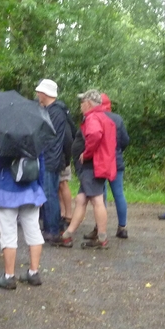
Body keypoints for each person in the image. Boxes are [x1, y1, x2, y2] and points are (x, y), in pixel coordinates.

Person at [55, 89, 117, 249]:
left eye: (82, 102)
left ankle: (102, 238)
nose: (80, 106)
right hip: (98, 164)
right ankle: (68, 235)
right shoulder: (103, 117)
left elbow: (95, 135)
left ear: (88, 103)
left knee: (96, 200)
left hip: (93, 165)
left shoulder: (93, 117)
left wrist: (86, 153)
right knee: (81, 199)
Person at [0, 149, 46, 289]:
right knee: (34, 229)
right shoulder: (33, 136)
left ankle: (9, 276)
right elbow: (41, 164)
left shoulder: (0, 139)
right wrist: (41, 188)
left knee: (8, 234)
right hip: (31, 188)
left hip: (5, 189)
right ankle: (34, 272)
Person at [84, 93, 130, 239]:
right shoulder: (117, 118)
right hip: (116, 161)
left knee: (99, 195)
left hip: (99, 161)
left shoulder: (93, 117)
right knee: (119, 194)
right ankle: (122, 227)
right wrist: (117, 151)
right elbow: (125, 140)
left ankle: (99, 228)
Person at [35, 78, 74, 241]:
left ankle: (52, 229)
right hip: (53, 157)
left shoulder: (54, 112)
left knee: (50, 194)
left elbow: (58, 138)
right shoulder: (57, 111)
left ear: (44, 93)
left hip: (51, 158)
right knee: (50, 193)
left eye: (39, 92)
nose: (37, 95)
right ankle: (53, 226)